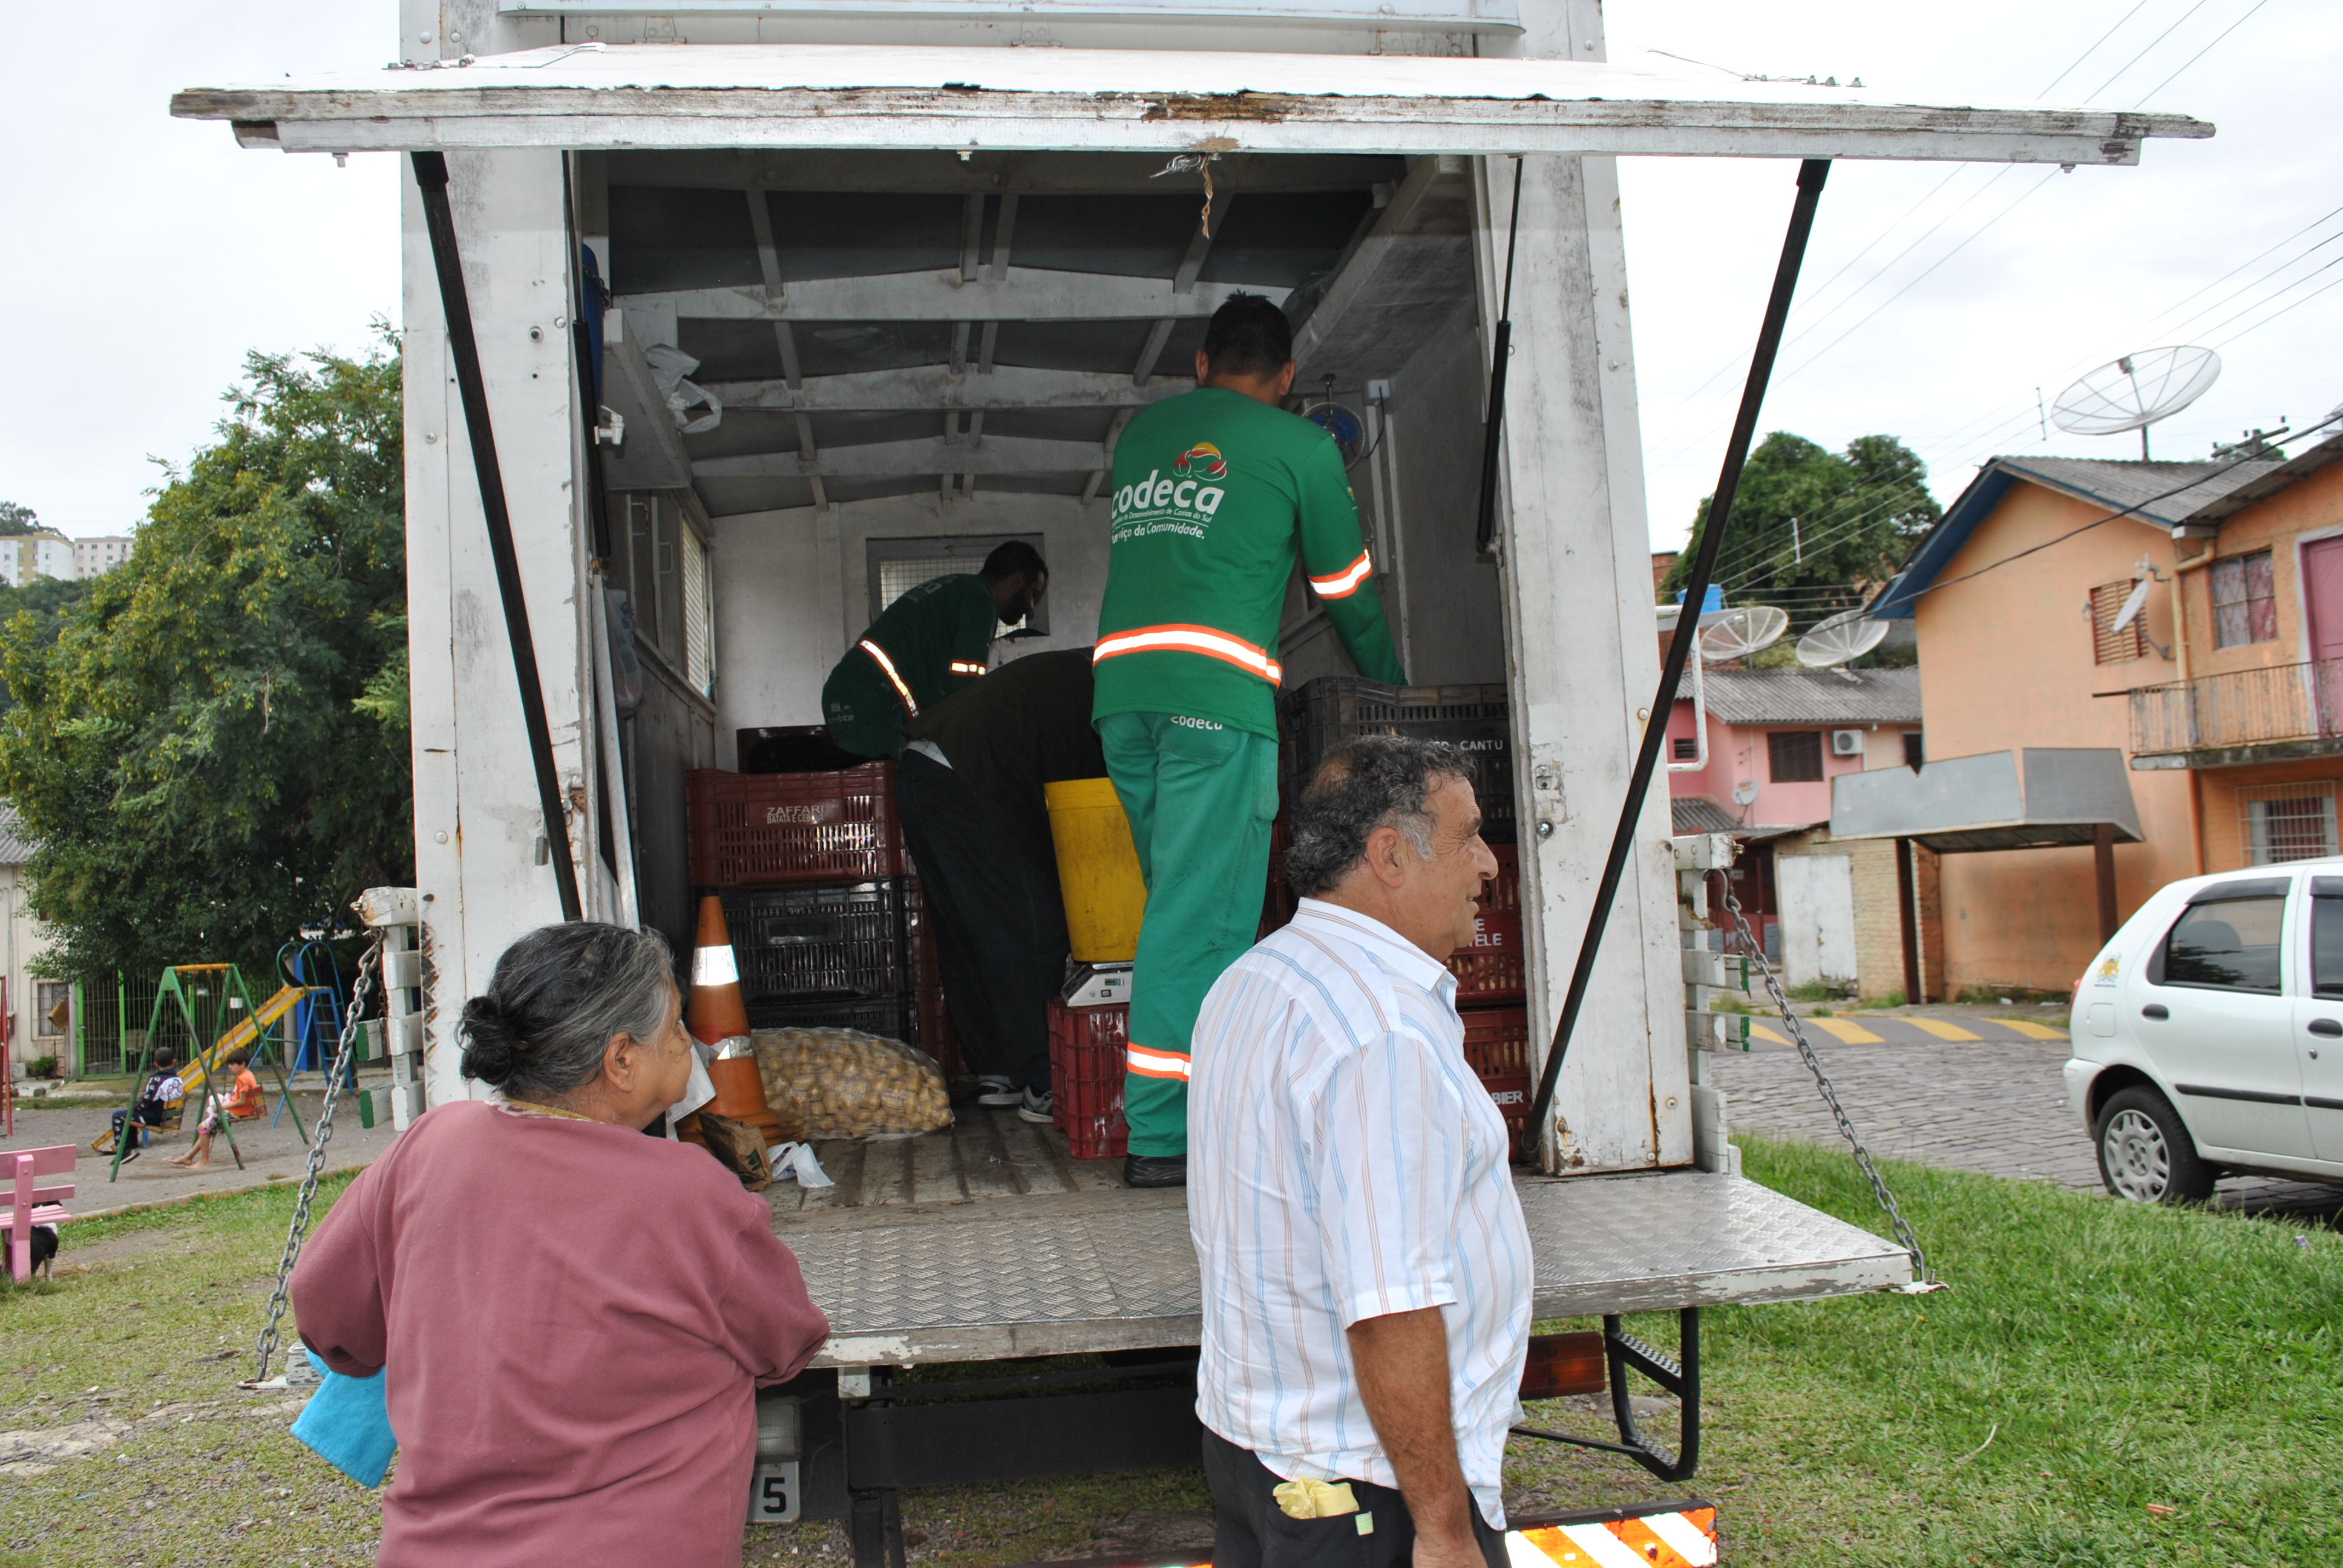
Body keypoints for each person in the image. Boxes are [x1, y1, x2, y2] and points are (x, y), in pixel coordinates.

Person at [290, 923, 830, 1567]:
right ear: (622, 1060)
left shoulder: (430, 1145)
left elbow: (330, 1322)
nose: (693, 1045)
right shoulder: (691, 1194)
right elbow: (785, 1341)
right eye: (679, 1029)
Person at [1092, 293, 1406, 1187]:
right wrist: (1392, 684)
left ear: (1199, 363)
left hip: (1124, 701)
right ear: (1287, 378)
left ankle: (1203, 1107)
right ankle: (1164, 1135)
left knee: (1180, 911)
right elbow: (1344, 588)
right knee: (1199, 921)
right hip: (1213, 706)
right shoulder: (1301, 446)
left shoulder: (1142, 440)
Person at [1188, 736, 1525, 1568]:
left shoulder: (1252, 980)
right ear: (1389, 857)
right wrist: (1444, 1531)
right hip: (1364, 1492)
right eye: (1469, 836)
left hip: (1260, 1457)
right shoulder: (1379, 1032)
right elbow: (1390, 1305)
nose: (1488, 864)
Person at [897, 647, 1105, 1121]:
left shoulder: (1092, 671)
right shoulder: (1120, 692)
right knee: (1031, 928)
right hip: (966, 777)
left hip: (920, 771)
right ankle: (1042, 1082)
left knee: (969, 932)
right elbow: (1099, 808)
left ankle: (999, 1070)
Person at [821, 540, 1049, 761]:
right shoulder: (980, 601)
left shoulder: (961, 588)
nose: (1030, 609)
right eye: (1033, 594)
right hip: (869, 699)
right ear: (1018, 580)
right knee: (883, 788)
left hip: (859, 694)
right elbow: (965, 690)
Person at [167, 1048, 262, 1171]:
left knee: (203, 1128)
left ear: (242, 1064)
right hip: (242, 1110)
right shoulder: (247, 1075)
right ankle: (188, 1157)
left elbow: (242, 1101)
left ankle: (204, 1161)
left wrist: (223, 1107)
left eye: (232, 1065)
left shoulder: (243, 1079)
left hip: (240, 1112)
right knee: (207, 1127)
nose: (229, 1067)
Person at [107, 1047, 183, 1161]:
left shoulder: (157, 1080)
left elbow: (147, 1101)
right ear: (174, 1062)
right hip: (169, 1116)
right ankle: (131, 1147)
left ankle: (123, 1151)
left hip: (154, 1117)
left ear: (155, 1064)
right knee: (131, 1114)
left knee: (119, 1116)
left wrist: (136, 1107)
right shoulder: (178, 1080)